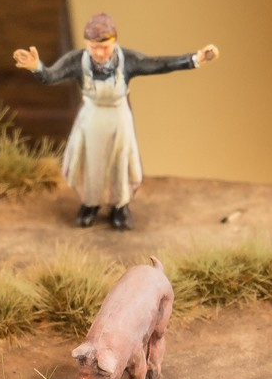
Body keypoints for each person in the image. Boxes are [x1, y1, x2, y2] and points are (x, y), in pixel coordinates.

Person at [13, 13, 219, 230]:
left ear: (114, 42)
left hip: (119, 120)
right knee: (91, 164)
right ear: (87, 44)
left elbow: (160, 64)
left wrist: (196, 59)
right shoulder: (76, 61)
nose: (100, 53)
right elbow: (52, 76)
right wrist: (37, 67)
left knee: (120, 164)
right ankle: (90, 204)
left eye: (105, 47)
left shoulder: (128, 60)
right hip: (91, 120)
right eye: (94, 47)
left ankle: (120, 206)